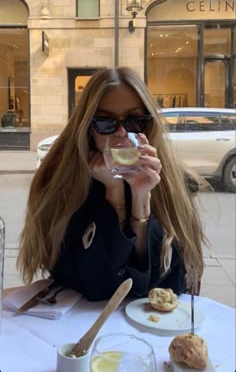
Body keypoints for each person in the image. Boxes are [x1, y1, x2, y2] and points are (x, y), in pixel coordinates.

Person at [17, 67, 208, 301]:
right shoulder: (60, 182)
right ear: (87, 126)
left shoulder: (173, 182)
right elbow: (94, 286)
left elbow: (165, 285)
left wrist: (141, 199)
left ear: (149, 125)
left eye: (135, 121)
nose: (121, 132)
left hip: (151, 329)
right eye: (106, 122)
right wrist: (114, 195)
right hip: (77, 325)